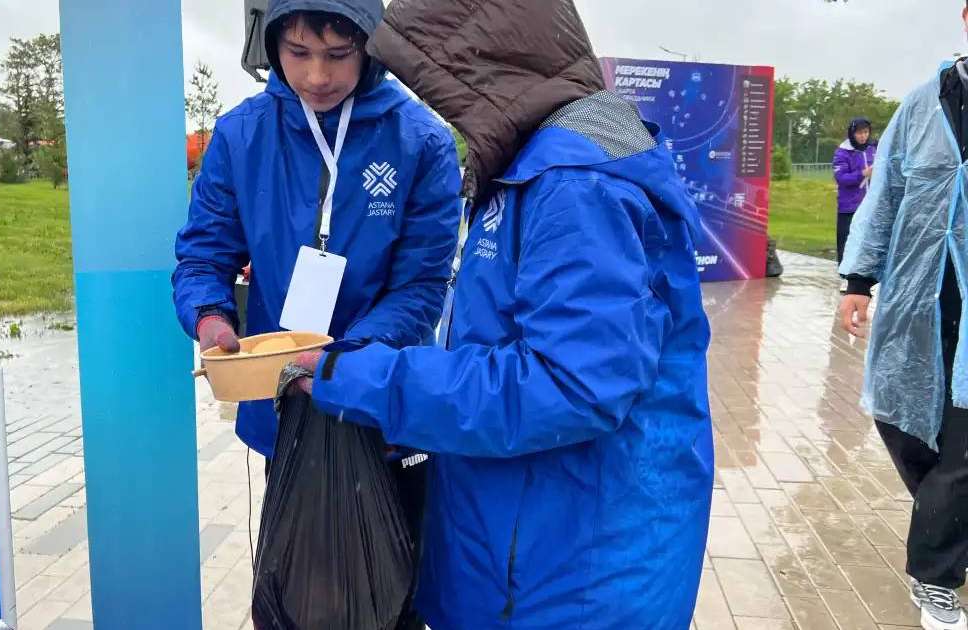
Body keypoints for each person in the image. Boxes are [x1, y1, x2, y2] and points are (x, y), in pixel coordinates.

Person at [287, 1, 713, 626]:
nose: (449, 112)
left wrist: (359, 379)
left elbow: (569, 385)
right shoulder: (540, 166)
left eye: (447, 89)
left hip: (571, 573)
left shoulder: (575, 186)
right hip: (528, 540)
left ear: (489, 71)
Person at [172, 1, 460, 623]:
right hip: (287, 406)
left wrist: (340, 365)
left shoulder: (422, 141)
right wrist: (210, 316)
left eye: (338, 54)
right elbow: (203, 253)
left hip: (388, 407)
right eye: (298, 53)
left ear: (372, 46)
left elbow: (422, 285)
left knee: (389, 589)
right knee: (299, 589)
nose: (317, 76)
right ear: (272, 44)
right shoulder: (242, 135)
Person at [839, 8, 968, 628]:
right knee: (902, 422)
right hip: (920, 299)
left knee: (966, 442)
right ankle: (951, 524)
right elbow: (884, 193)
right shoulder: (922, 105)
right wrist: (858, 280)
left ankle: (935, 578)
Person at [833, 117, 877, 278]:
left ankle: (863, 278)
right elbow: (841, 178)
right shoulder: (842, 152)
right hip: (849, 206)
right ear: (852, 133)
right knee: (846, 241)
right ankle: (845, 276)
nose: (863, 136)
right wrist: (863, 174)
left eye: (865, 132)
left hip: (870, 205)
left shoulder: (873, 149)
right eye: (859, 133)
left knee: (867, 241)